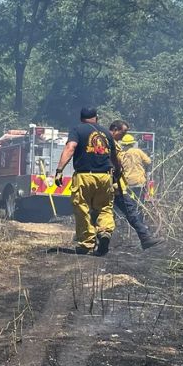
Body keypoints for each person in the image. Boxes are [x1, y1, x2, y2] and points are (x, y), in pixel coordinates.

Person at [55, 107, 121, 256]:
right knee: (105, 207)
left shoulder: (77, 130)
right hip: (105, 176)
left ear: (81, 118)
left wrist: (59, 170)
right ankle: (104, 232)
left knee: (82, 207)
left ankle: (86, 244)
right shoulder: (106, 133)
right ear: (96, 117)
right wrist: (116, 173)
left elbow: (71, 147)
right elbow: (114, 156)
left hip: (85, 176)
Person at [109, 122, 162, 250]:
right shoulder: (137, 151)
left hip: (126, 184)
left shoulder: (121, 152)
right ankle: (143, 233)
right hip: (138, 183)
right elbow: (149, 161)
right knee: (136, 208)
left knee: (120, 209)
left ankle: (120, 231)